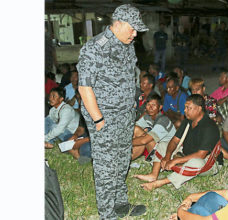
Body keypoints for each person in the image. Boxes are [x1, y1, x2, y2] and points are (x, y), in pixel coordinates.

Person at [76, 4, 148, 219]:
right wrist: (98, 120)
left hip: (125, 115)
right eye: (132, 29)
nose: (135, 34)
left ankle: (121, 204)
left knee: (122, 159)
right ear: (118, 23)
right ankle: (108, 214)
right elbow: (84, 87)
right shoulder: (95, 48)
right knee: (106, 167)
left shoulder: (128, 44)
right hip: (104, 117)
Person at [135, 94, 220, 191]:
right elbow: (175, 140)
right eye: (185, 107)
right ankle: (153, 175)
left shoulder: (209, 127)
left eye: (188, 108)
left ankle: (161, 182)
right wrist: (167, 156)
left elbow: (201, 155)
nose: (185, 110)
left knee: (196, 163)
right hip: (185, 155)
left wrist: (175, 161)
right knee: (163, 145)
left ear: (199, 109)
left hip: (207, 163)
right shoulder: (188, 121)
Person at [132, 94, 176, 160]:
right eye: (148, 105)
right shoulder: (147, 117)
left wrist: (126, 142)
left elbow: (144, 140)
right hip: (156, 147)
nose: (150, 108)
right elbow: (134, 128)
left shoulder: (163, 120)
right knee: (136, 130)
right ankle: (126, 158)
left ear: (160, 107)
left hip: (167, 151)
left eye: (154, 105)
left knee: (144, 139)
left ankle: (126, 159)